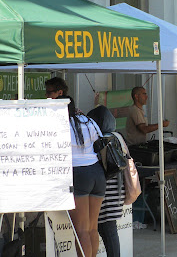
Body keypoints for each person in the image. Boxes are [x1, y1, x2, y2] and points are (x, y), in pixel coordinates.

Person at [58, 95, 106, 257]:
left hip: (78, 173)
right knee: (93, 228)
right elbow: (100, 140)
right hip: (97, 173)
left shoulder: (61, 124)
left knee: (81, 231)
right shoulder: (88, 121)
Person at [88, 105, 125, 257]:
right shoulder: (118, 137)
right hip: (116, 192)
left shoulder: (98, 140)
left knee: (108, 232)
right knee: (108, 231)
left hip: (105, 195)